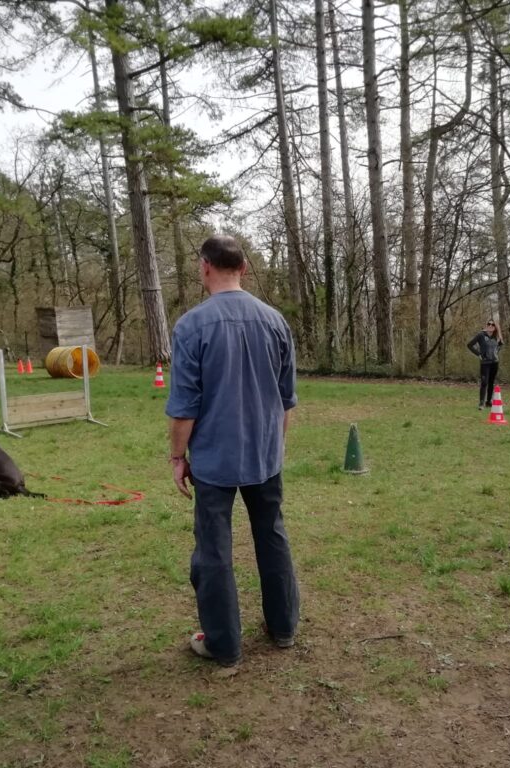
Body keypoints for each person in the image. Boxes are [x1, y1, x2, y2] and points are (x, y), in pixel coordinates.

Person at [165, 235, 300, 668]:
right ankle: (283, 627)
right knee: (272, 536)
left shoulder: (191, 326)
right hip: (264, 455)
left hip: (214, 460)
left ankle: (223, 644)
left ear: (204, 267)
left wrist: (177, 457)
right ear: (242, 268)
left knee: (214, 549)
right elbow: (286, 400)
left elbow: (184, 407)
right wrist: (276, 446)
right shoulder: (275, 321)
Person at [467, 319, 504, 409]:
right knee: (484, 382)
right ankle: (481, 403)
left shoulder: (496, 336)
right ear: (486, 325)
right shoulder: (481, 335)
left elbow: (500, 344)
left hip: (494, 363)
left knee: (491, 382)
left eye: (493, 325)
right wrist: (478, 354)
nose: (490, 325)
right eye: (489, 324)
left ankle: (488, 402)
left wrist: (495, 353)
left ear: (495, 328)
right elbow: (469, 345)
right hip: (485, 363)